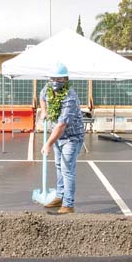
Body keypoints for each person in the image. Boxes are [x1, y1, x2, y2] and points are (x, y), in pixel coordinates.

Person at [39, 63, 85, 214]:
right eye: (52, 78)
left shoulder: (69, 97)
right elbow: (41, 96)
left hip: (72, 137)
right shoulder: (48, 88)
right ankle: (60, 196)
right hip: (58, 136)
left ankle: (68, 204)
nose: (54, 81)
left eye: (58, 79)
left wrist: (48, 144)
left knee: (67, 170)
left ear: (65, 79)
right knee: (59, 166)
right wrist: (44, 111)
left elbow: (62, 124)